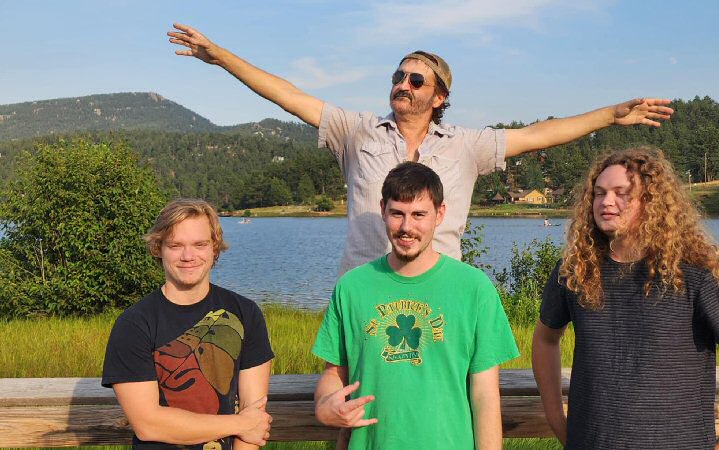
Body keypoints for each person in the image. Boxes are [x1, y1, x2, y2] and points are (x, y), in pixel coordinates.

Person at [167, 23, 674, 274]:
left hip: (438, 294)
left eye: (415, 80)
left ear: (439, 97)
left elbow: (541, 133)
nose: (402, 84)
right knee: (351, 410)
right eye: (398, 75)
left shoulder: (467, 146)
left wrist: (610, 115)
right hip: (364, 289)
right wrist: (221, 57)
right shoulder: (357, 131)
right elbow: (287, 95)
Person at [532, 147, 719, 449]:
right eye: (599, 193)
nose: (606, 201)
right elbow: (545, 339)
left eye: (621, 193)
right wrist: (556, 416)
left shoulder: (694, 273)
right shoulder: (576, 269)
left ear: (651, 203)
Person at [311, 162, 519, 449]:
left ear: (440, 214)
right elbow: (334, 372)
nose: (406, 227)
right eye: (397, 213)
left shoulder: (475, 288)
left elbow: (485, 395)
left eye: (419, 214)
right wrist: (324, 406)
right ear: (383, 210)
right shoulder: (351, 287)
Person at [102, 199, 274, 450]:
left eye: (199, 244)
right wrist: (239, 424)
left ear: (214, 248)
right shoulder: (134, 324)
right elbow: (148, 424)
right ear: (158, 248)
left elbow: (254, 414)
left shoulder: (246, 313)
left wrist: (246, 425)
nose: (188, 256)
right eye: (175, 245)